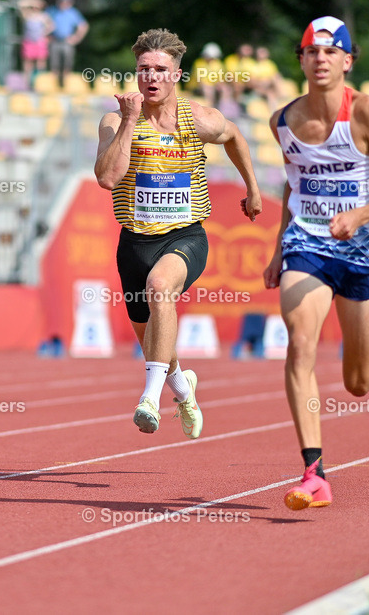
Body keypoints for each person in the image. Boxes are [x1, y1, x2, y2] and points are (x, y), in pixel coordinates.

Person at [262, 16, 369, 511]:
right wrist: (279, 247)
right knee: (299, 342)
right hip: (309, 242)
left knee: (359, 382)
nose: (320, 58)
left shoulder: (368, 112)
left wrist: (361, 214)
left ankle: (365, 349)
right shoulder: (282, 121)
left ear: (348, 60)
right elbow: (294, 183)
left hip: (364, 249)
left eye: (331, 51)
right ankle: (313, 472)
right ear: (302, 60)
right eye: (311, 51)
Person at [96, 28, 262, 439]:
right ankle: (184, 391)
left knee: (160, 287)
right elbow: (107, 178)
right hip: (134, 242)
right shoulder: (116, 121)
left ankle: (149, 400)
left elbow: (235, 137)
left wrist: (253, 188)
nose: (150, 77)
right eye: (143, 69)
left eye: (160, 70)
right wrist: (131, 122)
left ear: (176, 75)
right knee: (155, 340)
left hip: (185, 236)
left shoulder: (199, 118)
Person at [47, 0, 89, 88]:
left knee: (67, 64)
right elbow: (42, 22)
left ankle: (65, 85)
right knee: (54, 64)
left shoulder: (73, 12)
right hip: (55, 40)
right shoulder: (52, 11)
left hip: (67, 41)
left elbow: (83, 26)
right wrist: (46, 36)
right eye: (61, 1)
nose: (63, 3)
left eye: (65, 1)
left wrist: (77, 38)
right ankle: (54, 86)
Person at [18, 0, 54, 81]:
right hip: (29, 41)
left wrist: (44, 33)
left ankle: (40, 80)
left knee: (41, 61)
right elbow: (20, 3)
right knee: (28, 62)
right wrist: (32, 1)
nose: (35, 8)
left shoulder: (43, 16)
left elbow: (52, 26)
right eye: (33, 6)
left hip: (39, 41)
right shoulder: (26, 15)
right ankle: (27, 81)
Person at [189, 42, 228, 108]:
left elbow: (221, 79)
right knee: (207, 89)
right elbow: (200, 81)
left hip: (212, 86)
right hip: (197, 87)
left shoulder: (218, 64)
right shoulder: (198, 63)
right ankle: (210, 108)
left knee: (225, 89)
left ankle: (224, 108)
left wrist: (219, 85)